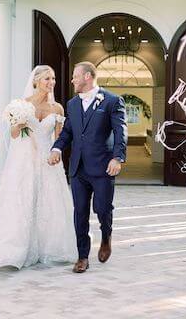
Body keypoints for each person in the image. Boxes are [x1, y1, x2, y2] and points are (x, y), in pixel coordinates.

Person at [0, 65, 77, 269]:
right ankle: (18, 244)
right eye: (47, 79)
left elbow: (60, 136)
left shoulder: (58, 108)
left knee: (50, 199)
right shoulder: (22, 104)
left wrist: (57, 152)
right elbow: (14, 134)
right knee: (24, 197)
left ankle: (49, 245)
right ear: (36, 81)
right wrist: (19, 122)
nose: (51, 82)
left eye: (53, 78)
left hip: (48, 159)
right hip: (25, 159)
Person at [49, 62, 128, 273]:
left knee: (103, 209)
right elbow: (67, 132)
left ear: (87, 76)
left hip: (103, 167)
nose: (72, 80)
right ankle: (82, 256)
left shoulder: (112, 101)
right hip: (78, 169)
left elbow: (121, 131)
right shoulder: (73, 104)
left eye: (75, 76)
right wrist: (57, 149)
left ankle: (106, 236)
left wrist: (118, 158)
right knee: (80, 212)